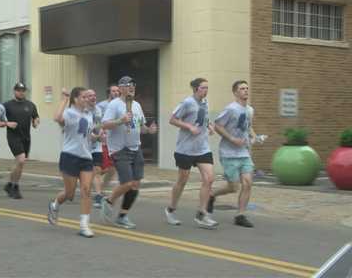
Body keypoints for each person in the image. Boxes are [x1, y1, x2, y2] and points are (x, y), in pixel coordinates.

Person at [100, 76, 157, 229]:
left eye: (133, 85)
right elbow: (105, 124)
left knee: (136, 184)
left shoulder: (137, 105)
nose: (132, 87)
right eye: (128, 85)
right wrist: (120, 120)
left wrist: (148, 130)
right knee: (127, 183)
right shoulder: (114, 105)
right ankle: (108, 200)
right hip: (119, 149)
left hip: (135, 147)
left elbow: (141, 126)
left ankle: (122, 216)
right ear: (120, 88)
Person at [166, 78, 218, 229]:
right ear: (195, 89)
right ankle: (171, 209)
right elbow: (172, 119)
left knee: (209, 179)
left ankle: (202, 214)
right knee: (182, 181)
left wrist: (209, 126)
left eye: (207, 88)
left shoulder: (205, 102)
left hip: (202, 148)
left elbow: (203, 118)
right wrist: (189, 127)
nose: (206, 90)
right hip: (185, 149)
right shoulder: (187, 102)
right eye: (203, 88)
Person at [47, 87, 96, 238]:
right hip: (70, 156)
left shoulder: (89, 115)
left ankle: (84, 225)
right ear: (75, 99)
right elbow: (57, 118)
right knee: (70, 194)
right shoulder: (69, 113)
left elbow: (87, 135)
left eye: (88, 97)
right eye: (83, 97)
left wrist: (97, 137)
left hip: (86, 157)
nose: (87, 99)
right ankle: (55, 204)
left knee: (86, 190)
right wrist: (64, 99)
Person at [208, 80, 257, 228]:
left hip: (243, 153)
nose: (246, 91)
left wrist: (254, 136)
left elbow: (248, 127)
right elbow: (217, 125)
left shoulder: (250, 110)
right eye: (242, 89)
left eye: (247, 88)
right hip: (228, 153)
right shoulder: (230, 109)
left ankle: (240, 215)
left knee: (248, 183)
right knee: (233, 187)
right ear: (235, 92)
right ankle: (211, 195)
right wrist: (232, 139)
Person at [3, 82, 39, 199]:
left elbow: (35, 117)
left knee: (20, 163)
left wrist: (36, 121)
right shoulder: (7, 105)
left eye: (23, 90)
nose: (21, 92)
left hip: (26, 138)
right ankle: (15, 186)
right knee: (21, 160)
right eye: (18, 90)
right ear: (14, 91)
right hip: (13, 136)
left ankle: (9, 184)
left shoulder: (31, 105)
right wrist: (7, 123)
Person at [93, 85, 120, 207]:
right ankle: (98, 192)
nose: (115, 92)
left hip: (114, 142)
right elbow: (96, 121)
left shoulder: (121, 105)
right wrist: (100, 132)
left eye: (117, 91)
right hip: (102, 141)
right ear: (109, 93)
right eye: (113, 91)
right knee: (100, 169)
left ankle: (100, 189)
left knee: (112, 169)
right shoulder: (101, 106)